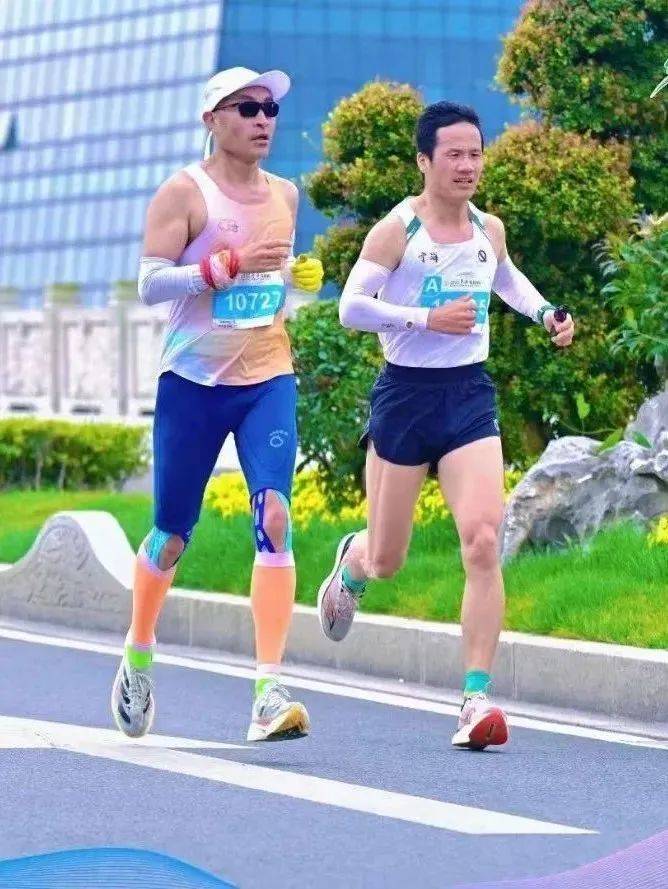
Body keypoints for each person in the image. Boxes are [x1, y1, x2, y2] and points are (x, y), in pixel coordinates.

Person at [315, 101, 575, 750]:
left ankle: (475, 698)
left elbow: (505, 278)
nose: (467, 165)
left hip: (467, 397)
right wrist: (425, 319)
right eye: (453, 154)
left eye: (475, 153)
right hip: (405, 398)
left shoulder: (489, 228)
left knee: (483, 541)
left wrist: (545, 313)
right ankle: (353, 562)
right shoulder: (397, 231)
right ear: (424, 161)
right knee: (388, 558)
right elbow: (351, 308)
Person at [111, 67, 323, 743]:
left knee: (275, 515)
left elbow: (274, 276)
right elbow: (150, 284)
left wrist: (298, 278)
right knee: (172, 535)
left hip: (267, 376)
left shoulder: (286, 194)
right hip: (193, 384)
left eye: (270, 110)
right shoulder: (184, 191)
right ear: (213, 119)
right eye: (248, 108)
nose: (263, 120)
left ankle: (268, 690)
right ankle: (138, 653)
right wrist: (217, 268)